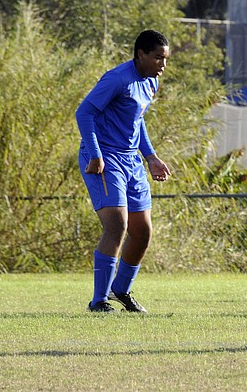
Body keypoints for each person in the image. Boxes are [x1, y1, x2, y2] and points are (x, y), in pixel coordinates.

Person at [75, 30, 172, 313]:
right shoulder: (117, 78)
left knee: (142, 232)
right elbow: (84, 113)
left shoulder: (151, 82)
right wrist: (95, 154)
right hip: (105, 158)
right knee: (117, 226)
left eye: (165, 59)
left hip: (132, 161)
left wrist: (151, 156)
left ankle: (122, 290)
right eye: (158, 58)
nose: (162, 65)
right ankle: (99, 301)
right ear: (141, 54)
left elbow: (136, 120)